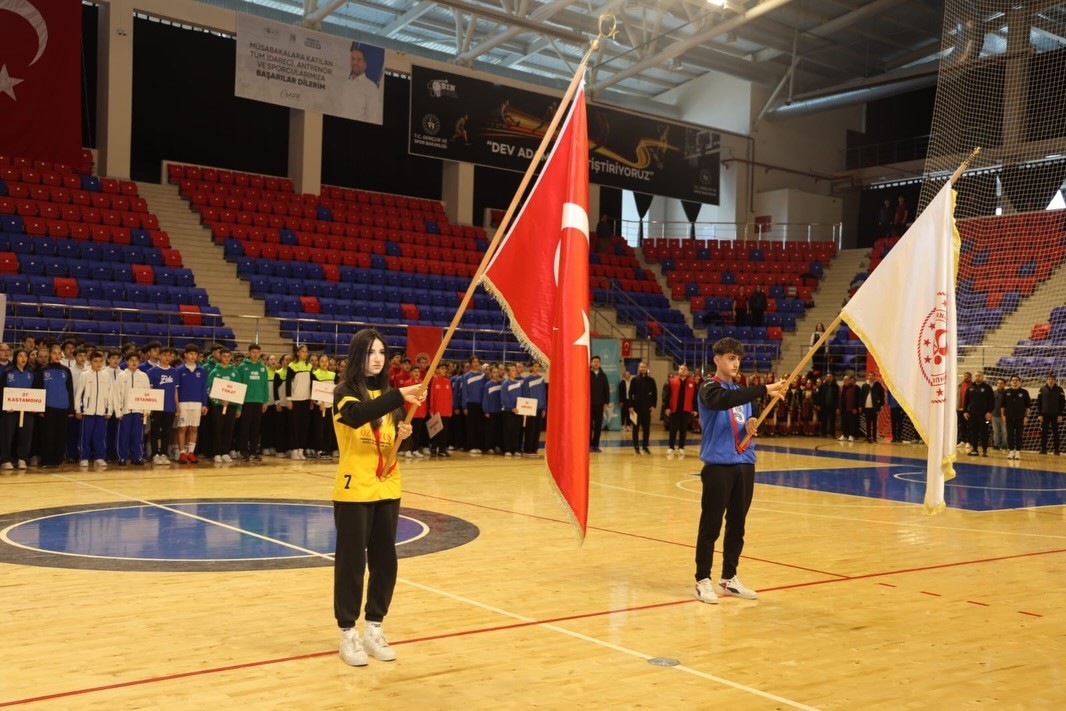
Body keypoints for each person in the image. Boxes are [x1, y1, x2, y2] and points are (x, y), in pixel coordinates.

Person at [331, 328, 423, 668]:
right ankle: (347, 633)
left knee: (386, 561)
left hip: (388, 485)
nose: (377, 358)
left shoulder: (390, 396)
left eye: (382, 352)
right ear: (358, 356)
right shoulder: (343, 392)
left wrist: (405, 434)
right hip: (355, 489)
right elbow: (357, 417)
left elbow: (394, 443)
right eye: (371, 352)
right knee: (352, 563)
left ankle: (374, 627)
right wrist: (400, 395)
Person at [693, 337, 787, 604]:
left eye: (738, 359)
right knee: (711, 525)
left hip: (745, 464)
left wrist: (753, 422)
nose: (735, 363)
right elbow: (725, 400)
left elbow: (749, 413)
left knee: (737, 524)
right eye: (730, 358)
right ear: (718, 360)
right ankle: (702, 579)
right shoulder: (710, 388)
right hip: (718, 466)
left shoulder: (743, 393)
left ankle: (729, 577)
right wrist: (764, 388)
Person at [0, 349, 42, 470]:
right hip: (10, 410)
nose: (23, 358)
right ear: (15, 358)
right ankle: (6, 459)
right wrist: (5, 406)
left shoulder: (32, 373)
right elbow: (2, 391)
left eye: (25, 356)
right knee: (7, 435)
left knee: (26, 435)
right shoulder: (8, 372)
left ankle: (22, 458)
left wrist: (35, 406)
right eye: (20, 356)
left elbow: (36, 391)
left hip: (27, 410)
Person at [74, 351, 115, 467]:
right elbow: (78, 394)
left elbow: (110, 394)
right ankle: (84, 457)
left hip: (101, 412)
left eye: (100, 361)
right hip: (87, 412)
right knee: (85, 436)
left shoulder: (106, 376)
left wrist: (109, 410)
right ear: (90, 362)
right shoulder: (84, 375)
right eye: (95, 361)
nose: (98, 363)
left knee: (100, 436)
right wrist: (78, 409)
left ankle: (99, 456)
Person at [38, 344, 74, 469]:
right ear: (50, 355)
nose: (57, 356)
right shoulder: (43, 370)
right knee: (48, 435)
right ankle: (47, 460)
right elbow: (39, 390)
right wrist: (40, 408)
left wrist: (71, 408)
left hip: (63, 408)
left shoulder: (66, 370)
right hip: (49, 407)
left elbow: (70, 390)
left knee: (61, 434)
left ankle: (57, 460)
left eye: (59, 353)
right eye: (54, 353)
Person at [114, 351, 150, 466]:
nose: (134, 362)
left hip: (138, 411)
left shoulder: (143, 376)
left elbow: (147, 394)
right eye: (131, 360)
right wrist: (118, 411)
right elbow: (116, 394)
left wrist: (147, 410)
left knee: (137, 435)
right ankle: (122, 457)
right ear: (127, 362)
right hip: (125, 412)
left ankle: (137, 457)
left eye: (136, 360)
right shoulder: (121, 376)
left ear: (139, 362)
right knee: (124, 435)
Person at [207, 348, 241, 464]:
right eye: (224, 356)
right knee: (217, 429)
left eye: (228, 356)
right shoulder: (214, 372)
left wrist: (238, 407)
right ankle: (216, 453)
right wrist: (219, 401)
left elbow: (239, 391)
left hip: (231, 406)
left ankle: (225, 452)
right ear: (220, 357)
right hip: (218, 406)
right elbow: (209, 390)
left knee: (229, 429)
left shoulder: (235, 372)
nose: (226, 358)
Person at [175, 344, 208, 464]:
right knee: (182, 428)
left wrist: (204, 404)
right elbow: (176, 389)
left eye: (195, 354)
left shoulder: (202, 370)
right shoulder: (179, 370)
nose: (193, 356)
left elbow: (204, 388)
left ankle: (191, 452)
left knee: (194, 428)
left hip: (197, 403)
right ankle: (182, 453)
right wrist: (177, 405)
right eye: (191, 354)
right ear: (185, 355)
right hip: (183, 403)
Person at [236, 344, 269, 461]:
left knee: (256, 428)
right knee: (245, 427)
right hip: (246, 401)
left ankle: (253, 451)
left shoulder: (263, 368)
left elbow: (265, 385)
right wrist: (239, 405)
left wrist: (265, 401)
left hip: (258, 401)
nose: (255, 355)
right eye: (253, 352)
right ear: (249, 353)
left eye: (257, 352)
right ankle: (243, 450)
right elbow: (238, 386)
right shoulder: (242, 367)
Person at [147, 347, 179, 465]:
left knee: (167, 431)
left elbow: (175, 391)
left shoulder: (174, 372)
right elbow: (150, 390)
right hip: (156, 407)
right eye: (165, 355)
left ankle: (164, 453)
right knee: (155, 431)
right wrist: (149, 407)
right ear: (159, 356)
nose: (167, 358)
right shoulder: (152, 372)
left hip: (170, 407)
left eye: (169, 355)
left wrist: (177, 406)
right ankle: (155, 454)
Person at [286, 344, 315, 460]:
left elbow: (312, 384)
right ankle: (294, 449)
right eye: (303, 351)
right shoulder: (292, 366)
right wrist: (289, 399)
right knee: (294, 425)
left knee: (304, 425)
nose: (305, 353)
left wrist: (312, 399)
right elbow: (288, 383)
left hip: (306, 400)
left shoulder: (310, 366)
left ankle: (301, 449)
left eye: (306, 352)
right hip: (295, 400)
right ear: (298, 353)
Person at [663, 364, 697, 457]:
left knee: (683, 429)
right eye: (681, 369)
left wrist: (695, 409)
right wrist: (667, 407)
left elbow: (695, 398)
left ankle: (681, 447)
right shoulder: (672, 382)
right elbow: (667, 396)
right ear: (678, 371)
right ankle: (671, 447)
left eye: (685, 369)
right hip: (675, 409)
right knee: (673, 429)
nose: (683, 370)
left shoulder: (692, 383)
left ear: (687, 372)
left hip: (686, 409)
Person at [343, 44, 383, 123]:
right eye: (353, 59)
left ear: (364, 65)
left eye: (358, 60)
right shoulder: (345, 84)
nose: (355, 62)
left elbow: (373, 117)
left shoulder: (371, 87)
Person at [962, 371, 994, 457]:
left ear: (983, 377)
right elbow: (966, 401)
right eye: (976, 376)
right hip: (972, 415)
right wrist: (965, 411)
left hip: (984, 416)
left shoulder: (987, 388)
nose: (977, 377)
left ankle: (984, 451)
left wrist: (989, 412)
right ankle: (975, 450)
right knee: (973, 432)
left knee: (984, 432)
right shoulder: (970, 387)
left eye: (979, 376)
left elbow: (992, 402)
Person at [628, 361, 657, 454]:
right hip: (636, 408)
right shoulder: (634, 380)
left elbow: (655, 394)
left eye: (644, 367)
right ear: (638, 368)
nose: (643, 368)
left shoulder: (651, 380)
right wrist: (630, 406)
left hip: (647, 408)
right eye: (641, 367)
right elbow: (630, 394)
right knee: (635, 428)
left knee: (646, 428)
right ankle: (636, 447)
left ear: (647, 368)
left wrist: (653, 406)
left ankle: (645, 446)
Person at [1002, 375, 1030, 460]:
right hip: (1009, 417)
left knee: (1019, 435)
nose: (1014, 381)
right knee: (1009, 435)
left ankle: (1017, 452)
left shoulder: (1024, 392)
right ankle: (1011, 451)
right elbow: (1002, 406)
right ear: (1010, 382)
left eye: (1016, 380)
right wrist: (1003, 415)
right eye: (1013, 380)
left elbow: (1028, 407)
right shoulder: (1006, 392)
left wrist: (1026, 417)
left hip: (1020, 418)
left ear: (1019, 382)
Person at [521, 361, 546, 457]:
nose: (537, 368)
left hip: (540, 407)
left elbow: (543, 393)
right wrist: (526, 408)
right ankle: (528, 449)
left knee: (537, 429)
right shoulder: (527, 379)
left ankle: (534, 449)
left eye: (538, 366)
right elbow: (525, 393)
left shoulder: (541, 379)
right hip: (531, 408)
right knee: (530, 429)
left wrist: (544, 408)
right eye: (535, 366)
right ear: (531, 367)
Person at [462, 356, 486, 454]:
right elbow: (465, 392)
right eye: (474, 362)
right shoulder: (466, 376)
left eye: (477, 362)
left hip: (480, 404)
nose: (476, 364)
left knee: (479, 426)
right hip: (471, 404)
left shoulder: (483, 376)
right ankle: (470, 446)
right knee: (471, 426)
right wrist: (464, 406)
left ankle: (478, 445)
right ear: (470, 363)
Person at [1036, 373, 1064, 455]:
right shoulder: (1042, 389)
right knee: (1044, 432)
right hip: (1045, 415)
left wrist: (1060, 415)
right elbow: (1039, 403)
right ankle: (1043, 449)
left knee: (1056, 433)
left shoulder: (1060, 389)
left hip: (1056, 415)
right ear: (1046, 380)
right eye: (1049, 379)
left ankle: (1056, 450)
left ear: (1055, 381)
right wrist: (1039, 414)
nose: (1050, 381)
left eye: (1052, 379)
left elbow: (1062, 403)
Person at [428, 363, 452, 457]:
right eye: (442, 368)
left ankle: (442, 449)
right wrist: (431, 409)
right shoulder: (434, 381)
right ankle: (433, 448)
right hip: (436, 410)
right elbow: (432, 396)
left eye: (445, 369)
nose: (444, 370)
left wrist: (450, 409)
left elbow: (450, 397)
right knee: (435, 430)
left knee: (444, 431)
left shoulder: (447, 381)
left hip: (446, 410)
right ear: (437, 370)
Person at [500, 363, 523, 457]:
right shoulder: (505, 383)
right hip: (508, 411)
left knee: (516, 431)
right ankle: (507, 449)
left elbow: (521, 397)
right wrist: (511, 407)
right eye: (512, 370)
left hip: (517, 411)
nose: (515, 371)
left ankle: (515, 449)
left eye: (515, 370)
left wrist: (521, 407)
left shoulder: (518, 383)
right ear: (508, 372)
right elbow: (504, 398)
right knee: (508, 431)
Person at [589, 356, 610, 452]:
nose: (596, 363)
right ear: (591, 363)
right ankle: (588, 445)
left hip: (600, 405)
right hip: (589, 405)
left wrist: (606, 403)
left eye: (598, 362)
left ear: (600, 363)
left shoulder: (603, 375)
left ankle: (595, 445)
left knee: (598, 426)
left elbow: (606, 390)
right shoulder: (587, 374)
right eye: (594, 361)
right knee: (588, 426)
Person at [858, 371, 884, 442]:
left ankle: (874, 437)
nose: (870, 377)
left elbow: (882, 396)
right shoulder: (865, 385)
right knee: (868, 423)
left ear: (875, 377)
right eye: (869, 375)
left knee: (874, 423)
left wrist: (881, 405)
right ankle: (868, 436)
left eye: (872, 375)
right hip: (866, 407)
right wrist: (860, 406)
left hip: (875, 407)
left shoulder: (878, 385)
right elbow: (861, 396)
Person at [816, 372, 839, 438]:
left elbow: (837, 398)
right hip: (824, 406)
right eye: (827, 376)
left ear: (832, 378)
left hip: (832, 407)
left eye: (830, 376)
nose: (828, 378)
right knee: (824, 420)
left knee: (832, 421)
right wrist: (818, 405)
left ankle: (833, 434)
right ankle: (823, 434)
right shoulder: (822, 386)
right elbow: (819, 396)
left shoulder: (836, 386)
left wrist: (837, 407)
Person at [838, 374, 860, 442]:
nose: (845, 381)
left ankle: (851, 435)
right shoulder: (841, 388)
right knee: (843, 422)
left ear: (850, 380)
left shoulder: (855, 388)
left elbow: (857, 399)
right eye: (844, 379)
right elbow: (838, 398)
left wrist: (855, 408)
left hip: (851, 408)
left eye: (846, 379)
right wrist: (838, 408)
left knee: (851, 422)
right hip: (843, 408)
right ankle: (844, 435)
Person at [957, 371, 973, 449]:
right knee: (962, 426)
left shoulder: (972, 386)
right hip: (960, 408)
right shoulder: (959, 385)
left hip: (969, 409)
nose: (966, 377)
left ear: (970, 377)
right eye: (965, 376)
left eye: (967, 376)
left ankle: (969, 442)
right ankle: (962, 441)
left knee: (969, 426)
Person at [991, 378, 1007, 451]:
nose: (999, 384)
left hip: (1004, 416)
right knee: (996, 432)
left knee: (1005, 432)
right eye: (998, 383)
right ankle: (996, 445)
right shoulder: (993, 393)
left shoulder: (1007, 393)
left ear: (1004, 384)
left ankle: (1005, 445)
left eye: (1001, 383)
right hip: (994, 415)